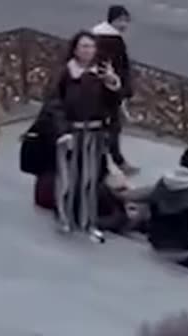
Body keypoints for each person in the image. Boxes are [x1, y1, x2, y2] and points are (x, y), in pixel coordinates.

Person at [47, 30, 121, 240]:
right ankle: (64, 218)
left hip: (94, 133)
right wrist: (63, 131)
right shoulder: (66, 73)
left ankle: (88, 222)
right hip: (71, 132)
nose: (88, 51)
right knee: (68, 179)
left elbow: (112, 104)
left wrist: (112, 83)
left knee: (89, 180)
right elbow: (55, 104)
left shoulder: (100, 73)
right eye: (84, 46)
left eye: (91, 47)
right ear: (75, 49)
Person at [122, 143, 188, 268]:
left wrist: (121, 194)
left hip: (156, 243)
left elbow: (144, 195)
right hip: (183, 249)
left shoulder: (163, 183)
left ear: (181, 161)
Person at [92, 5, 136, 174]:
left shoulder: (97, 35)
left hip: (100, 89)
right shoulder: (113, 41)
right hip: (110, 90)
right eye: (123, 20)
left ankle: (111, 160)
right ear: (114, 20)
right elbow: (120, 68)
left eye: (127, 20)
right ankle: (117, 161)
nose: (125, 25)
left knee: (107, 127)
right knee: (113, 127)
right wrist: (124, 90)